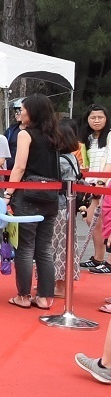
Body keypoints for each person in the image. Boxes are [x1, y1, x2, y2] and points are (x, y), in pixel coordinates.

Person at [6, 93, 64, 310]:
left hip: (28, 195)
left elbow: (19, 167)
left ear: (33, 112)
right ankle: (44, 297)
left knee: (25, 248)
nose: (20, 112)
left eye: (23, 109)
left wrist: (7, 193)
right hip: (50, 196)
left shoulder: (25, 134)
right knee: (44, 248)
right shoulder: (54, 135)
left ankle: (23, 295)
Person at [52, 118, 83, 292]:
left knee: (55, 246)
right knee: (66, 246)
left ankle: (59, 286)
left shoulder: (60, 160)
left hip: (58, 206)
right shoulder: (71, 157)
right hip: (68, 206)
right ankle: (62, 285)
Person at [80, 104, 111, 273]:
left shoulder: (110, 137)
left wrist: (101, 183)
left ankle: (105, 259)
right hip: (91, 183)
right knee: (91, 221)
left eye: (100, 117)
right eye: (93, 117)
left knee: (104, 223)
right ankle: (98, 257)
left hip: (105, 185)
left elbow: (109, 162)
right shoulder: (87, 139)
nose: (97, 120)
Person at [5, 98, 25, 167]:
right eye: (15, 111)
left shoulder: (38, 131)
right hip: (11, 169)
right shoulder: (10, 131)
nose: (16, 114)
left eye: (19, 111)